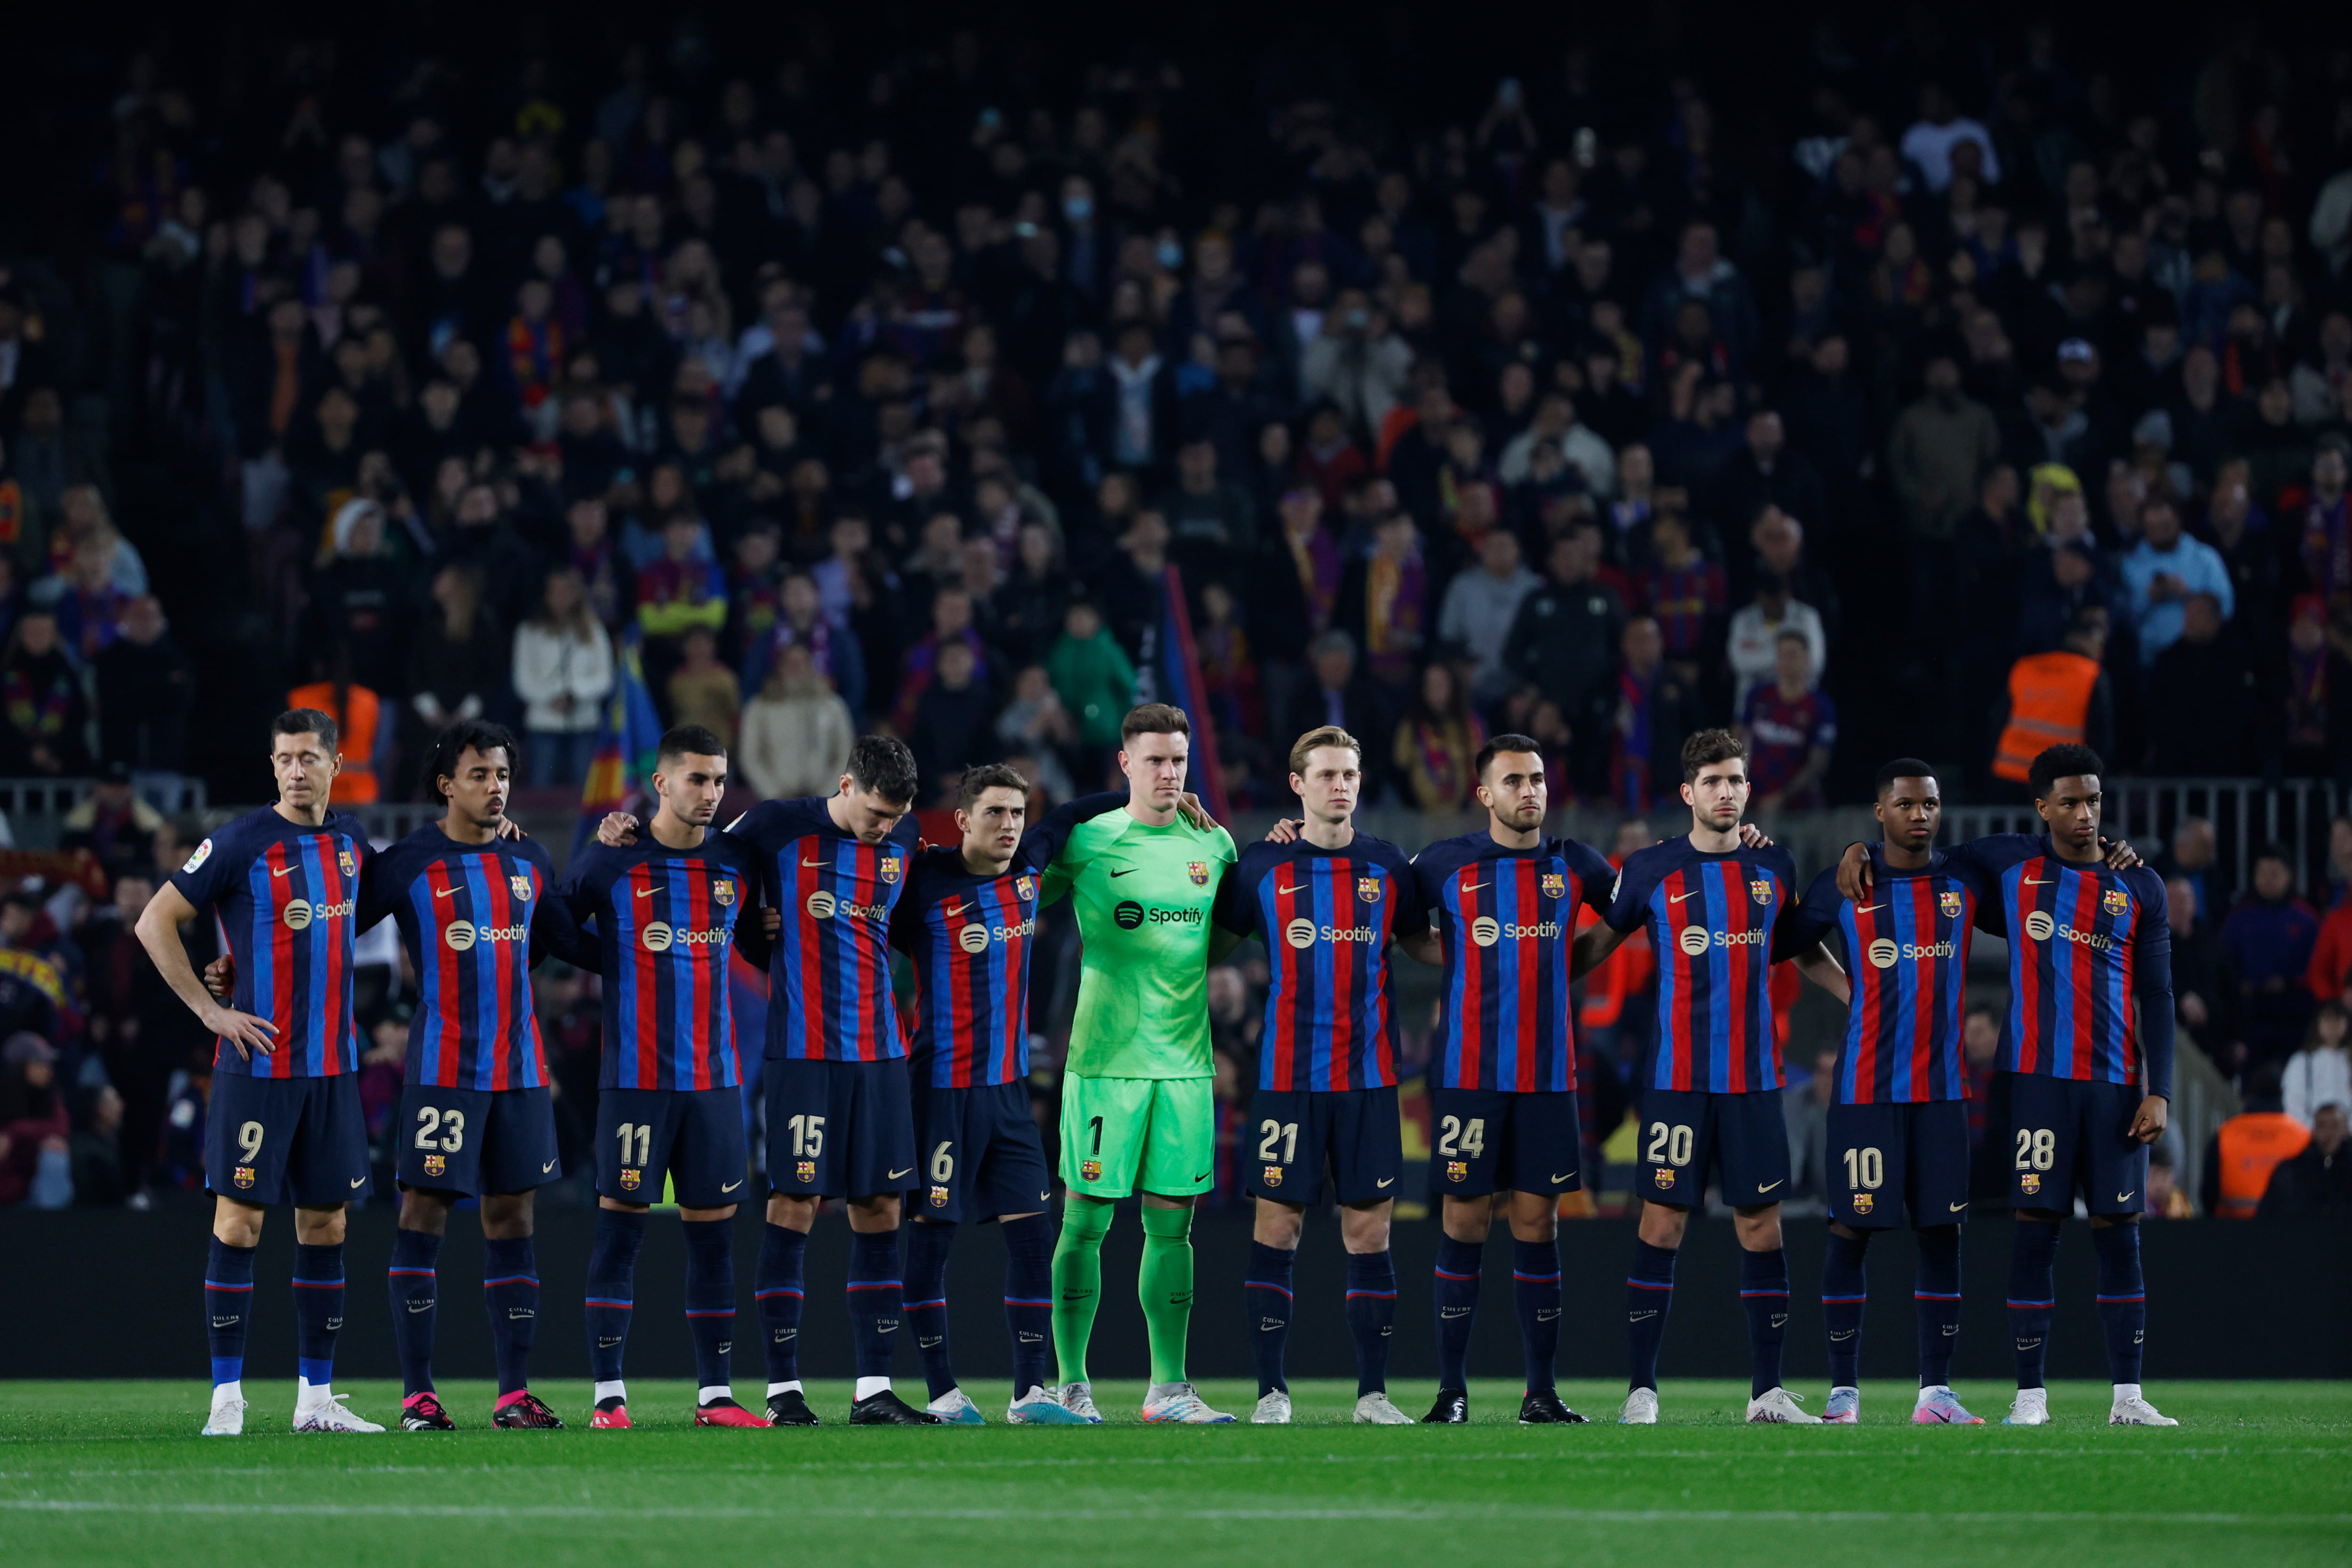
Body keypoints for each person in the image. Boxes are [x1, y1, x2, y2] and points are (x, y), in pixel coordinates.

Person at [207, 721, 590, 1427]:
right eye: (479, 774)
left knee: (514, 1216)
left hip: (521, 1069)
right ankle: (418, 1395)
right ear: (447, 784)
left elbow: (568, 940)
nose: (495, 786)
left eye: (503, 775)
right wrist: (238, 967)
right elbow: (320, 927)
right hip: (441, 1067)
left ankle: (513, 1394)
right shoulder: (404, 862)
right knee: (422, 1215)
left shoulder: (530, 858)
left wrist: (614, 869)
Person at [1836, 743, 2177, 1426]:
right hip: (2035, 1083)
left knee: (2120, 1234)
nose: (2086, 813)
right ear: (2042, 806)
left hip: (2115, 1084)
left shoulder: (2139, 885)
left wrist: (2160, 1088)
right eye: (2072, 801)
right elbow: (1920, 856)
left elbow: (2159, 994)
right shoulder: (2008, 863)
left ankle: (2129, 1397)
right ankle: (2030, 1397)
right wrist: (1858, 848)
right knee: (2036, 1233)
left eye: (2095, 800)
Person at [601, 733, 933, 1426]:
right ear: (845, 787)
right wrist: (622, 830)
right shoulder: (775, 826)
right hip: (802, 1054)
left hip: (881, 1056)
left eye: (895, 818)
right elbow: (700, 855)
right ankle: (784, 1390)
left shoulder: (905, 848)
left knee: (881, 1209)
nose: (883, 828)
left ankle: (873, 1387)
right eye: (874, 813)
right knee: (795, 1205)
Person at [1574, 728, 1848, 1425]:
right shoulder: (1650, 870)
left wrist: (1860, 992)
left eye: (1736, 781)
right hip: (1676, 1083)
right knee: (1661, 1225)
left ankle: (1767, 1392)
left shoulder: (1773, 867)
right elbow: (1598, 944)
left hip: (1755, 1083)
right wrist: (1529, 976)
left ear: (1747, 790)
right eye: (1713, 782)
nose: (1725, 792)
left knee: (1763, 1231)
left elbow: (1802, 950)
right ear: (1687, 793)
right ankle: (1642, 1390)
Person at [133, 710, 384, 1436]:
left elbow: (330, 930)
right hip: (257, 1066)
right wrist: (210, 1012)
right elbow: (155, 920)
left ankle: (315, 1400)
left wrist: (241, 955)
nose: (295, 770)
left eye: (309, 757)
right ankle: (227, 1400)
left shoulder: (351, 842)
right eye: (284, 759)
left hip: (333, 1067)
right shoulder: (241, 841)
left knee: (327, 1225)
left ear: (336, 764)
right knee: (240, 1226)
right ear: (272, 767)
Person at [1388, 734, 1621, 1425]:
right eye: (1514, 780)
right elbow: (1403, 927)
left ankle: (1540, 1392)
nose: (1530, 792)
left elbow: (1629, 910)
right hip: (1467, 1077)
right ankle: (1450, 1391)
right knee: (1462, 1220)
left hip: (1549, 1078)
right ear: (1486, 793)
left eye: (1538, 779)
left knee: (1538, 1223)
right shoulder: (1443, 864)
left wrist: (1571, 959)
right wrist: (1456, 956)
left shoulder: (1575, 864)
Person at [888, 763, 1123, 1425]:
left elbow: (1073, 813)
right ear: (962, 819)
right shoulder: (922, 882)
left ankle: (1029, 1394)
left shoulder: (1028, 871)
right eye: (995, 813)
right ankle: (942, 1391)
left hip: (1010, 1097)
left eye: (1017, 814)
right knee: (932, 1245)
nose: (1010, 826)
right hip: (939, 1091)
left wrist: (1158, 795)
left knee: (1032, 1238)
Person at [560, 725, 775, 1430]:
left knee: (713, 1239)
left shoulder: (737, 862)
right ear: (661, 783)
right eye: (696, 779)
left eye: (718, 781)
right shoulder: (610, 862)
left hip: (715, 1084)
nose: (710, 793)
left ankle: (716, 1395)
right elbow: (557, 930)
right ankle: (607, 1398)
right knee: (619, 1237)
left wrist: (767, 932)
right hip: (634, 1082)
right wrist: (619, 958)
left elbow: (751, 940)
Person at [1212, 727, 1420, 1426]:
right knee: (1278, 1231)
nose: (1341, 785)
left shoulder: (1390, 865)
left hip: (1368, 1081)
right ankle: (1272, 1393)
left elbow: (1423, 939)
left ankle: (1373, 1395)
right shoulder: (1261, 864)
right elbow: (1213, 944)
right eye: (1327, 773)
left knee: (1370, 1237)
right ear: (1297, 785)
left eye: (1351, 773)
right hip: (1286, 1082)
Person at [1040, 703, 1241, 1425]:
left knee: (1172, 1228)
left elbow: (1230, 929)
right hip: (1104, 1063)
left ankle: (1168, 1390)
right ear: (1126, 764)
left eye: (1179, 761)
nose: (1170, 773)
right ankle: (1070, 1384)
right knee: (1084, 1223)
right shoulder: (1088, 841)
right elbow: (1018, 895)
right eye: (1155, 760)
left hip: (1186, 1066)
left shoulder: (1212, 846)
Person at [1782, 760, 1997, 1425]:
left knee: (1942, 1234)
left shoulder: (1964, 877)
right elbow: (1791, 939)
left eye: (1930, 804)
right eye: (1906, 804)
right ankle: (1843, 1393)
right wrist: (1847, 986)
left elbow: (2045, 859)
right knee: (1851, 1233)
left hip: (1941, 1092)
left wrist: (2112, 850)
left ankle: (1935, 1394)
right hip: (1867, 1089)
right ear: (1881, 812)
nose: (1921, 815)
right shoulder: (1850, 883)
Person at [512, 567, 614, 788]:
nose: (560, 597)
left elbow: (605, 677)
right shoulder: (529, 632)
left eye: (566, 591)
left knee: (584, 792)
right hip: (543, 724)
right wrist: (553, 697)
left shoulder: (594, 631)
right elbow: (523, 681)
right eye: (554, 591)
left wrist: (576, 694)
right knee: (542, 793)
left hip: (584, 723)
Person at [2202, 1064, 2310, 1219]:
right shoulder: (2302, 1136)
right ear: (2281, 1094)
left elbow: (2209, 1193)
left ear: (2250, 1094)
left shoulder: (2225, 1135)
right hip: (2289, 1233)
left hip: (2232, 1232)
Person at [2257, 1101, 2352, 1217]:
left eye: (2335, 1126)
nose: (2328, 1133)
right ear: (2314, 1131)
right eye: (2322, 1126)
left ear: (2347, 1130)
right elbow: (2266, 1217)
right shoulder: (2290, 1171)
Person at [2281, 1003, 2352, 1129]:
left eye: (2338, 1020)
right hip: (2309, 1136)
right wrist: (2313, 1131)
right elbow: (2293, 1103)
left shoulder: (2348, 1060)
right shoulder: (2301, 1061)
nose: (2333, 1026)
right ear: (2317, 1025)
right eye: (2327, 1020)